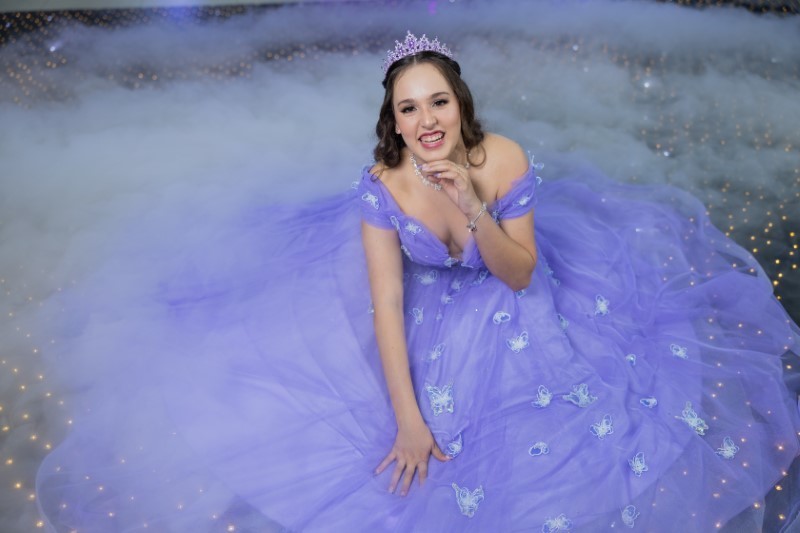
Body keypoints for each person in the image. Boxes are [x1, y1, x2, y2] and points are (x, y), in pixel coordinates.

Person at [36, 32, 800, 532]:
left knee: (570, 421)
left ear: (460, 105)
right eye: (409, 108)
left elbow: (521, 275)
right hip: (431, 305)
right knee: (386, 438)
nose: (427, 119)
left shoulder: (502, 158)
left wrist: (472, 205)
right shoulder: (384, 185)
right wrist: (408, 417)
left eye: (438, 101)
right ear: (395, 123)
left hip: (509, 292)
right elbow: (387, 300)